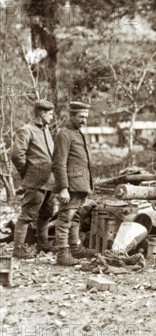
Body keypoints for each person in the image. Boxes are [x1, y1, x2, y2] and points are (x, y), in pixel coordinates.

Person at [52, 101, 97, 265]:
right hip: (70, 186)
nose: (84, 120)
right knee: (65, 219)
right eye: (80, 117)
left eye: (86, 117)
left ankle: (75, 248)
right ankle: (63, 254)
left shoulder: (79, 133)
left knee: (75, 217)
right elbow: (59, 164)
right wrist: (63, 188)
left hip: (80, 185)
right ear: (71, 116)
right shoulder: (64, 134)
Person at [10, 100, 56, 258]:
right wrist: (27, 173)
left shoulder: (46, 130)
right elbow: (16, 155)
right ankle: (19, 249)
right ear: (42, 114)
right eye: (50, 114)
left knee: (46, 213)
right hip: (35, 181)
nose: (52, 117)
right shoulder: (26, 130)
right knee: (27, 215)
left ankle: (42, 245)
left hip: (49, 181)